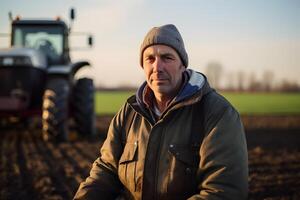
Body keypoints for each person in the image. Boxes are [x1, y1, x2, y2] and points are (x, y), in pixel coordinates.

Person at [74, 24, 248, 200]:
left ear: (182, 65)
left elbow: (223, 191)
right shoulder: (129, 112)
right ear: (143, 66)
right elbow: (106, 169)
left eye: (167, 57)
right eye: (150, 59)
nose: (157, 67)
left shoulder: (217, 114)